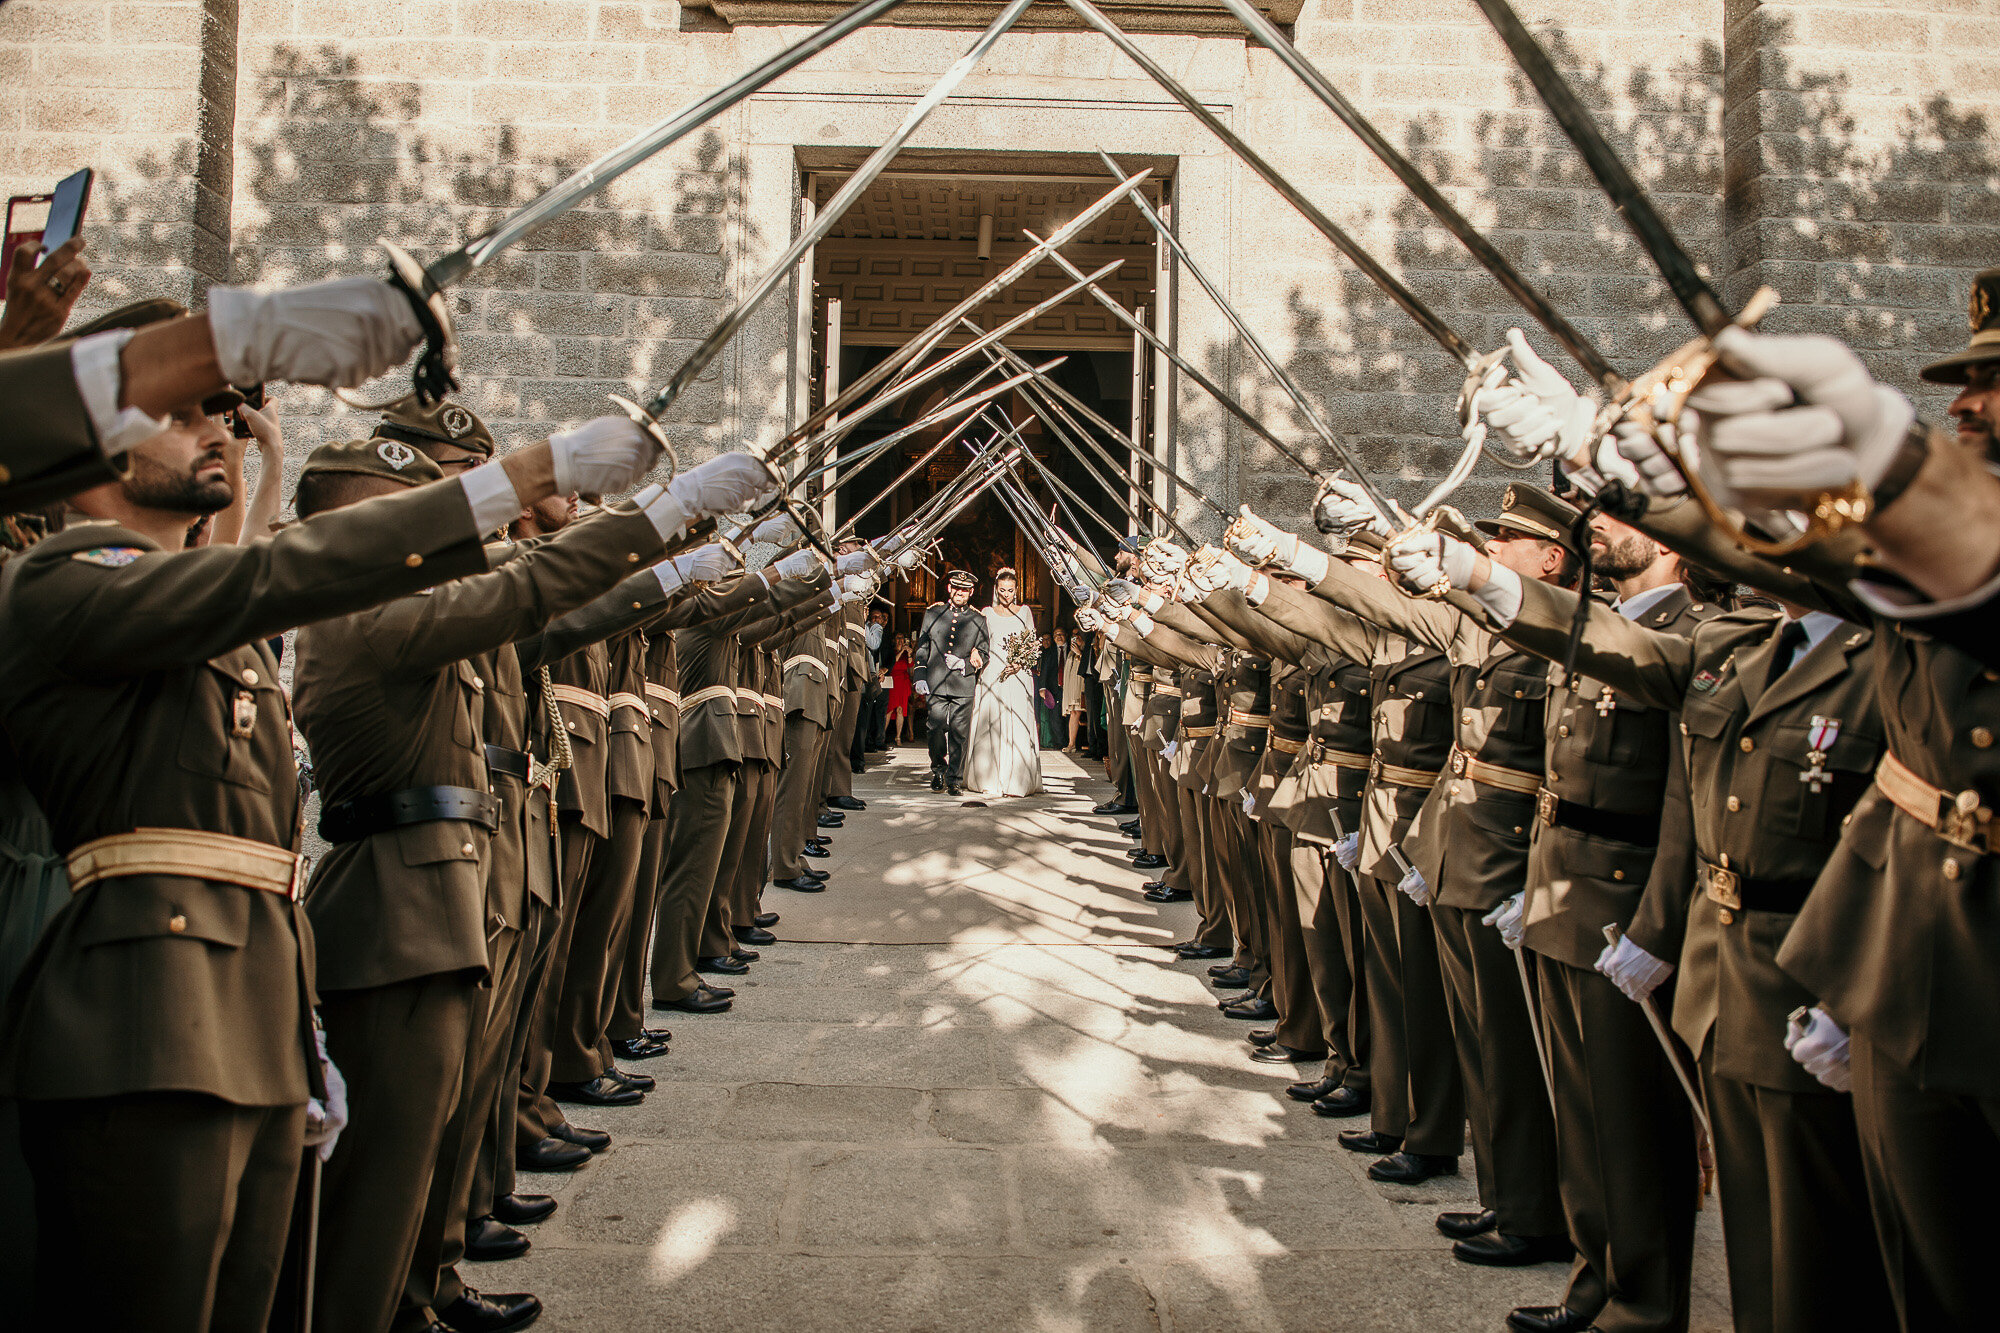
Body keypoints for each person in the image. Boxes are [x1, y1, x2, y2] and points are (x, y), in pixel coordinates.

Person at [965, 566, 1043, 797]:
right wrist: (974, 653)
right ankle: (988, 778)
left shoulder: (1025, 612)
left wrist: (1021, 663)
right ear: (996, 590)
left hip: (1018, 672)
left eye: (1010, 590)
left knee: (1018, 720)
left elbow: (1032, 642)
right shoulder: (986, 612)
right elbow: (979, 640)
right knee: (991, 720)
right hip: (993, 671)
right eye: (1002, 590)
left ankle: (1017, 781)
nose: (1006, 595)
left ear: (1016, 590)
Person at [914, 569, 988, 795]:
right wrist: (919, 675)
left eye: (965, 590)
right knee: (934, 728)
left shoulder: (978, 619)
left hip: (962, 683)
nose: (960, 593)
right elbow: (923, 645)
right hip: (936, 681)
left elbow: (984, 653)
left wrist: (964, 664)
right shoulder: (933, 612)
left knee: (959, 733)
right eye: (956, 588)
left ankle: (954, 778)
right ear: (949, 588)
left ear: (971, 592)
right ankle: (938, 769)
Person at [1062, 623, 1087, 750]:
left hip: (1082, 684)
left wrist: (1080, 653)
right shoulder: (1071, 652)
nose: (1075, 637)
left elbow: (1090, 664)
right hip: (1072, 685)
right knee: (1073, 712)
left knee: (1079, 711)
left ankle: (1082, 744)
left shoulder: (1086, 648)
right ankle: (1071, 743)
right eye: (1073, 634)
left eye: (1078, 634)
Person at [886, 632, 915, 743]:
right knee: (889, 710)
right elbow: (893, 662)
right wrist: (901, 651)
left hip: (903, 682)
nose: (900, 640)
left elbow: (910, 665)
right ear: (894, 640)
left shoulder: (906, 653)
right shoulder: (891, 651)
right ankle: (881, 736)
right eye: (898, 638)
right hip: (892, 682)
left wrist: (908, 654)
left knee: (900, 709)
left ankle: (898, 737)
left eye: (902, 638)